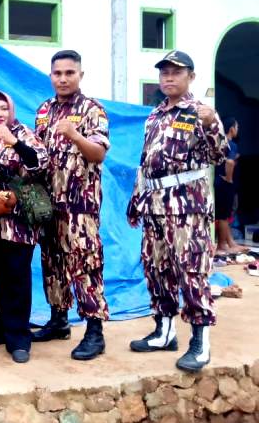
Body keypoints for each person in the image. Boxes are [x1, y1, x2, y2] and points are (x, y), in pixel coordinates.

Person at [126, 50, 228, 373]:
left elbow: (220, 154)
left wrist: (212, 125)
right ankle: (164, 331)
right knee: (156, 269)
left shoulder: (201, 113)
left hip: (187, 207)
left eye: (176, 72)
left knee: (191, 271)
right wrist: (136, 200)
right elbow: (145, 163)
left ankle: (200, 342)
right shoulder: (155, 115)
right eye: (164, 72)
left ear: (191, 77)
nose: (169, 77)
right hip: (154, 205)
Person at [33, 50, 110, 361]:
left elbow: (98, 154)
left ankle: (94, 331)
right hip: (49, 205)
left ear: (80, 75)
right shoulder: (44, 111)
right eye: (57, 73)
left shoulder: (92, 110)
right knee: (53, 263)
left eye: (69, 73)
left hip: (80, 207)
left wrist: (75, 135)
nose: (63, 79)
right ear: (51, 75)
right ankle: (58, 320)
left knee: (85, 264)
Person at [0, 90, 48, 363]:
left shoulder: (23, 133)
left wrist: (15, 143)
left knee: (17, 278)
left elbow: (41, 164)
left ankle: (20, 338)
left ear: (11, 110)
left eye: (3, 108)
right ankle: (5, 326)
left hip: (19, 221)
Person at [214, 117, 241, 254]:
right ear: (231, 129)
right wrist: (229, 179)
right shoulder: (232, 144)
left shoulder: (218, 143)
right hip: (225, 184)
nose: (237, 130)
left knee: (221, 215)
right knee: (224, 216)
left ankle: (228, 243)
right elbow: (230, 162)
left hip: (217, 181)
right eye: (237, 127)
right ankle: (221, 245)